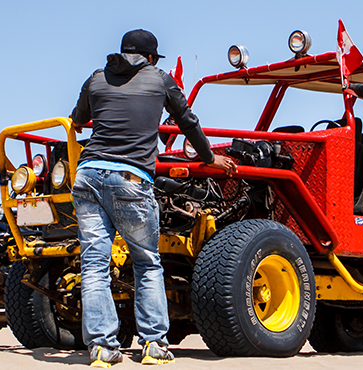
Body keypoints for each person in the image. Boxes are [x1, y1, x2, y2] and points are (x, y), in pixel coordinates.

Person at [69, 29, 237, 368]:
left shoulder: (96, 78)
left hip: (87, 176)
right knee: (146, 263)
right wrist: (208, 158)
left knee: (94, 266)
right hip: (130, 179)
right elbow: (187, 122)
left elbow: (77, 120)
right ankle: (153, 346)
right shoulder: (159, 79)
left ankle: (101, 349)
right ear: (149, 58)